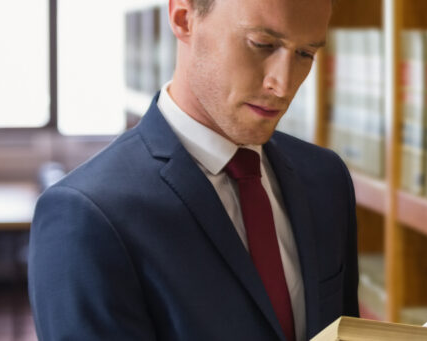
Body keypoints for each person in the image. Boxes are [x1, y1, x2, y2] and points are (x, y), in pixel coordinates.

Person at [27, 0, 358, 339]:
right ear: (184, 18)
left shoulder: (326, 178)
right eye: (263, 44)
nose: (283, 84)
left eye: (305, 54)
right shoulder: (88, 216)